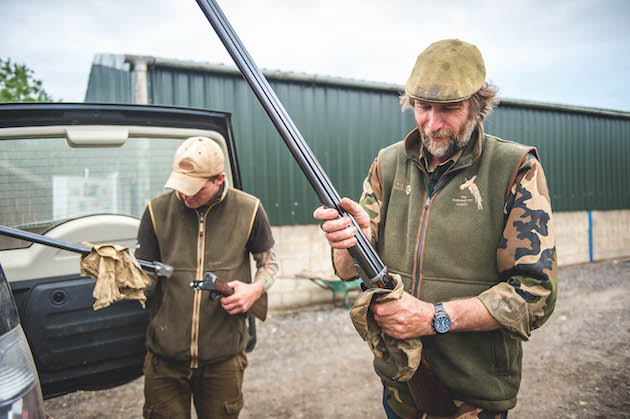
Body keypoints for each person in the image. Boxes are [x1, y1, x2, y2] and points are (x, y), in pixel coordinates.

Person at [314, 39, 557, 418]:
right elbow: (348, 271)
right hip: (401, 384)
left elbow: (535, 294)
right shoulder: (388, 164)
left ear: (478, 106)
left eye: (448, 109)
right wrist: (349, 241)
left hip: (473, 394)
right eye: (423, 107)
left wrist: (434, 317)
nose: (432, 123)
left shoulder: (514, 168)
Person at [135, 136, 278, 418]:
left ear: (219, 179)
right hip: (164, 360)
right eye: (180, 186)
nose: (186, 196)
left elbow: (269, 263)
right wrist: (123, 277)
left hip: (223, 359)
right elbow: (146, 280)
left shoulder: (249, 209)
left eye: (195, 189)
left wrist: (255, 290)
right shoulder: (156, 210)